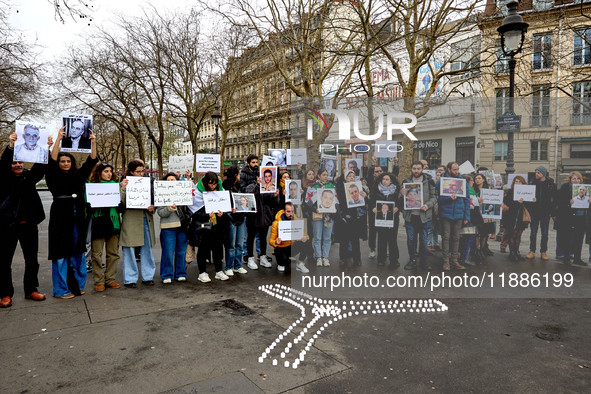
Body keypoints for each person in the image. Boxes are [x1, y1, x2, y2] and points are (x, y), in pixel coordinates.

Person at [0, 132, 53, 308]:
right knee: (4, 261)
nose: (17, 165)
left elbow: (40, 166)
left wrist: (46, 147)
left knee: (32, 260)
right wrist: (11, 145)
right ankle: (5, 293)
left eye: (20, 162)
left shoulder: (29, 178)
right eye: (14, 162)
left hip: (28, 225)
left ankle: (31, 289)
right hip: (7, 226)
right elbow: (3, 164)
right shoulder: (4, 179)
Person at [46, 125, 98, 299]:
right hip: (61, 216)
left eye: (68, 161)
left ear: (72, 163)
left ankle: (78, 285)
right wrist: (59, 140)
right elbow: (51, 162)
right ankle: (60, 289)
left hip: (78, 218)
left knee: (78, 252)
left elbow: (92, 160)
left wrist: (93, 142)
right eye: (63, 161)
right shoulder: (53, 176)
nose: (65, 163)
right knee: (61, 253)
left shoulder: (78, 175)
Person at [119, 160, 157, 288]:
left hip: (146, 218)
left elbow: (155, 200)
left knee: (147, 249)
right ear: (131, 172)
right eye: (138, 172)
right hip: (130, 220)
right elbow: (119, 205)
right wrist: (123, 189)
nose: (141, 174)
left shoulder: (149, 183)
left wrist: (153, 208)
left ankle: (148, 277)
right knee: (129, 249)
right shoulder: (122, 185)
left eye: (143, 171)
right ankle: (130, 278)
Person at [188, 171, 230, 282]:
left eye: (215, 184)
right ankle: (202, 273)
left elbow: (226, 209)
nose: (213, 186)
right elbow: (194, 212)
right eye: (211, 184)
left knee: (217, 250)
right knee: (203, 249)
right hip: (203, 227)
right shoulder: (197, 193)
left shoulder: (220, 192)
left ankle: (219, 271)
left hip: (217, 226)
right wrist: (206, 215)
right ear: (206, 183)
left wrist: (222, 214)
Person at [88, 162, 122, 292]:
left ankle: (110, 279)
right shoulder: (92, 187)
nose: (109, 174)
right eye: (106, 171)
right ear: (99, 173)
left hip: (112, 222)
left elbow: (122, 205)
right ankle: (99, 280)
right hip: (98, 223)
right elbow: (87, 206)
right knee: (97, 254)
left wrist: (119, 204)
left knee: (113, 253)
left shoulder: (116, 187)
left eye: (110, 171)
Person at [401, 161, 436, 271]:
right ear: (411, 169)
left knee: (424, 241)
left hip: (425, 216)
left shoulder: (429, 181)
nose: (416, 171)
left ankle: (423, 261)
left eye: (418, 168)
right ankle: (412, 260)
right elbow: (400, 199)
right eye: (414, 168)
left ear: (422, 169)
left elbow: (434, 198)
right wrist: (401, 193)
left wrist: (427, 205)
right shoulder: (406, 182)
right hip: (410, 217)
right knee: (411, 240)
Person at [435, 162, 470, 270]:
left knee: (456, 238)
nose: (456, 171)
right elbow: (437, 199)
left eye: (457, 169)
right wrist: (449, 199)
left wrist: (466, 216)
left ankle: (454, 260)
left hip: (459, 214)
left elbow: (467, 200)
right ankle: (446, 261)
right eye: (454, 169)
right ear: (448, 170)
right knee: (445, 238)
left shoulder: (463, 182)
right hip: (445, 214)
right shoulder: (440, 182)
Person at [157, 173, 189, 283]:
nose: (171, 182)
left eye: (173, 180)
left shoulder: (182, 192)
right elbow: (161, 213)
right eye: (169, 180)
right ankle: (167, 275)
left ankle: (180, 273)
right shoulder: (161, 194)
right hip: (168, 227)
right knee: (168, 252)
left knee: (181, 252)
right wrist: (170, 208)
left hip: (182, 226)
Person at [554, 172, 591, 266]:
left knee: (579, 238)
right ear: (570, 179)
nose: (576, 180)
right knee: (568, 237)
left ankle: (577, 258)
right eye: (574, 179)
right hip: (568, 217)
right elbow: (557, 201)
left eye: (578, 179)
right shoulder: (564, 189)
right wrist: (568, 202)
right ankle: (567, 257)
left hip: (581, 217)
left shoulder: (584, 189)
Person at [245, 172, 279, 269]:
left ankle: (263, 256)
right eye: (262, 177)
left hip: (265, 217)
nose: (265, 179)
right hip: (254, 217)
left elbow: (273, 203)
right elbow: (250, 197)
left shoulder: (270, 187)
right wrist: (260, 186)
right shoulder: (251, 186)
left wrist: (275, 196)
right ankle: (250, 258)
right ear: (257, 177)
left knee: (263, 237)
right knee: (251, 238)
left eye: (268, 177)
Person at [335, 170, 367, 266]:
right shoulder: (341, 188)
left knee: (355, 239)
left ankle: (357, 259)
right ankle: (343, 258)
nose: (352, 177)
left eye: (353, 176)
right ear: (345, 178)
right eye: (349, 176)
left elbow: (367, 200)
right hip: (344, 217)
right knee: (344, 239)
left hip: (355, 217)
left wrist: (365, 196)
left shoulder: (360, 188)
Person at [304, 168, 336, 267]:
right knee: (317, 237)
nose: (326, 176)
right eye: (323, 174)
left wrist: (335, 209)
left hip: (329, 216)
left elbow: (336, 200)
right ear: (319, 176)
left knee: (327, 238)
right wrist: (315, 209)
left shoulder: (331, 186)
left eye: (327, 175)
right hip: (317, 215)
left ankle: (325, 257)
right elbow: (307, 201)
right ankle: (318, 257)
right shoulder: (313, 186)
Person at [370, 172, 402, 268]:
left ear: (391, 181)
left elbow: (401, 202)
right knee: (381, 239)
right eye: (383, 179)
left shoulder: (397, 190)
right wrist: (373, 208)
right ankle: (381, 259)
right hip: (380, 218)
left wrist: (398, 208)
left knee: (392, 239)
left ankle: (394, 260)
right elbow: (372, 201)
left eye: (387, 179)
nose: (384, 181)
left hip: (393, 218)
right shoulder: (376, 190)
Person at [525, 166, 556, 261]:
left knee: (545, 233)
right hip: (534, 212)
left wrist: (553, 213)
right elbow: (528, 197)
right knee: (533, 232)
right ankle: (532, 251)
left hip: (545, 212)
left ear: (543, 173)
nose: (536, 174)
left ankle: (543, 251)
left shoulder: (551, 185)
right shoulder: (532, 183)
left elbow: (554, 201)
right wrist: (531, 201)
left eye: (538, 172)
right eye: (536, 172)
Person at [269, 202, 311, 273]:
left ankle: (300, 264)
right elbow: (271, 241)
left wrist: (306, 237)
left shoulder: (295, 220)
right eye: (288, 211)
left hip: (291, 246)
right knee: (283, 264)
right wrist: (276, 242)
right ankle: (281, 262)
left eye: (292, 211)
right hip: (281, 248)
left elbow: (303, 234)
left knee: (307, 242)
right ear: (284, 211)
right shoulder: (276, 223)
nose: (290, 214)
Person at [222, 166, 248, 276]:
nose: (240, 175)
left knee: (239, 244)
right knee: (231, 244)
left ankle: (238, 265)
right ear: (235, 175)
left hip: (240, 216)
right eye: (239, 173)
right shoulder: (225, 186)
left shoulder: (239, 185)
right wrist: (230, 208)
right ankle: (229, 266)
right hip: (230, 218)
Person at [240, 154, 261, 269]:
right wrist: (256, 185)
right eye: (253, 162)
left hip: (259, 205)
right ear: (248, 164)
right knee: (247, 234)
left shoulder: (260, 171)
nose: (255, 164)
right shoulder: (244, 174)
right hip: (248, 205)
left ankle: (259, 254)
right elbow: (243, 189)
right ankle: (246, 255)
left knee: (259, 233)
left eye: (256, 162)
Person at [502, 176, 530, 262]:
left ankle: (517, 251)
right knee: (512, 234)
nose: (518, 183)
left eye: (519, 182)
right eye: (516, 182)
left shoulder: (526, 192)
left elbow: (529, 205)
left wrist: (532, 200)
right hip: (512, 217)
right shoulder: (511, 192)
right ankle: (512, 253)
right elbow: (507, 205)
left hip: (521, 217)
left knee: (519, 234)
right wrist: (517, 202)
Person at [458, 174, 479, 267]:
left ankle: (462, 256)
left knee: (468, 238)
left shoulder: (471, 190)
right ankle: (463, 257)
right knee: (468, 238)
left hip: (469, 216)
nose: (473, 182)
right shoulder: (468, 191)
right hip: (468, 217)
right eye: (471, 180)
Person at [473, 173, 494, 260]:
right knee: (477, 232)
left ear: (483, 179)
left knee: (485, 232)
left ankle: (482, 249)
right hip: (476, 213)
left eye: (479, 178)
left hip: (486, 213)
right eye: (475, 179)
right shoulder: (474, 189)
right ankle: (477, 250)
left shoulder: (488, 189)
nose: (477, 180)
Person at [365, 165, 384, 258]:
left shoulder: (385, 181)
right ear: (373, 173)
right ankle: (372, 249)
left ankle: (385, 248)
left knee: (384, 230)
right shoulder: (371, 182)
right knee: (372, 231)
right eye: (377, 171)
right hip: (373, 209)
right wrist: (372, 164)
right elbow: (368, 176)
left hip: (384, 209)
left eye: (380, 171)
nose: (379, 173)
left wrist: (396, 165)